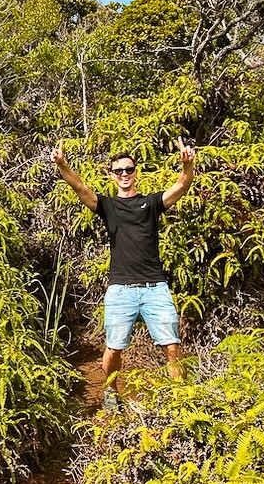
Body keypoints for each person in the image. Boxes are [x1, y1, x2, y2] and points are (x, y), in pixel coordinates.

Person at [50, 138, 196, 409]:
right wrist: (62, 165)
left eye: (129, 170)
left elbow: (180, 186)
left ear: (136, 172)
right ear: (112, 175)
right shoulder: (108, 206)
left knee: (172, 346)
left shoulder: (151, 203)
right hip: (121, 289)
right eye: (119, 171)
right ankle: (111, 392)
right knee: (114, 348)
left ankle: (181, 401)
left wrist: (187, 166)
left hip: (155, 287)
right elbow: (79, 186)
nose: (125, 175)